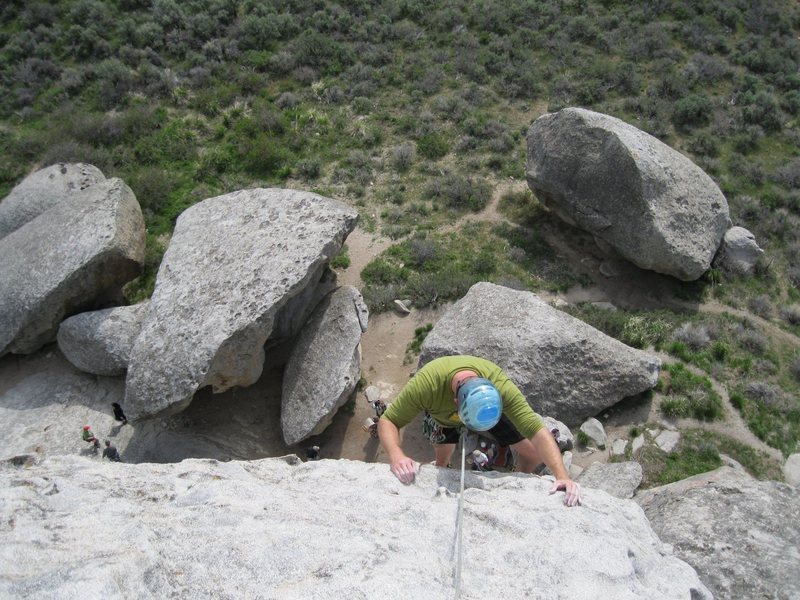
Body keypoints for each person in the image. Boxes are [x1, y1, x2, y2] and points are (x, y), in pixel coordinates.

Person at [377, 355, 581, 506]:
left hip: (490, 413)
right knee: (443, 450)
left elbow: (536, 430)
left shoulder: (501, 387)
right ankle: (443, 465)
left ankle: (515, 476)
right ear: (455, 402)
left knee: (534, 455)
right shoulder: (427, 385)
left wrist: (562, 475)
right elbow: (389, 420)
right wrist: (396, 455)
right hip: (442, 416)